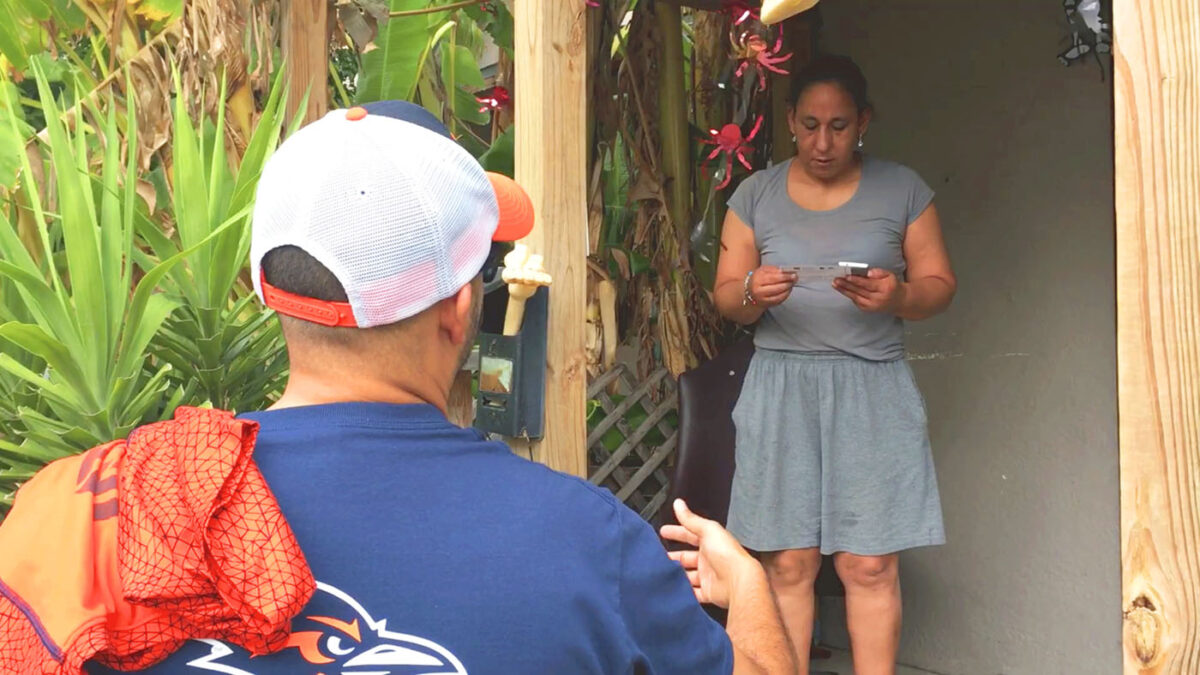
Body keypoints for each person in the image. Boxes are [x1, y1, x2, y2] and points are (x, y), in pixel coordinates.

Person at [0, 100, 796, 674]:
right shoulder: (593, 548)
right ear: (459, 308)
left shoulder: (95, 514)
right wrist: (751, 588)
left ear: (266, 290)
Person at [712, 55, 956, 675]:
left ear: (864, 122)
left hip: (871, 386)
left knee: (868, 564)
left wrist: (898, 296)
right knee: (788, 562)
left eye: (840, 126)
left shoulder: (903, 189)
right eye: (811, 124)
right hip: (782, 385)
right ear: (791, 121)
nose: (824, 142)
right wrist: (752, 293)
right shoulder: (755, 194)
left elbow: (939, 285)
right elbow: (725, 297)